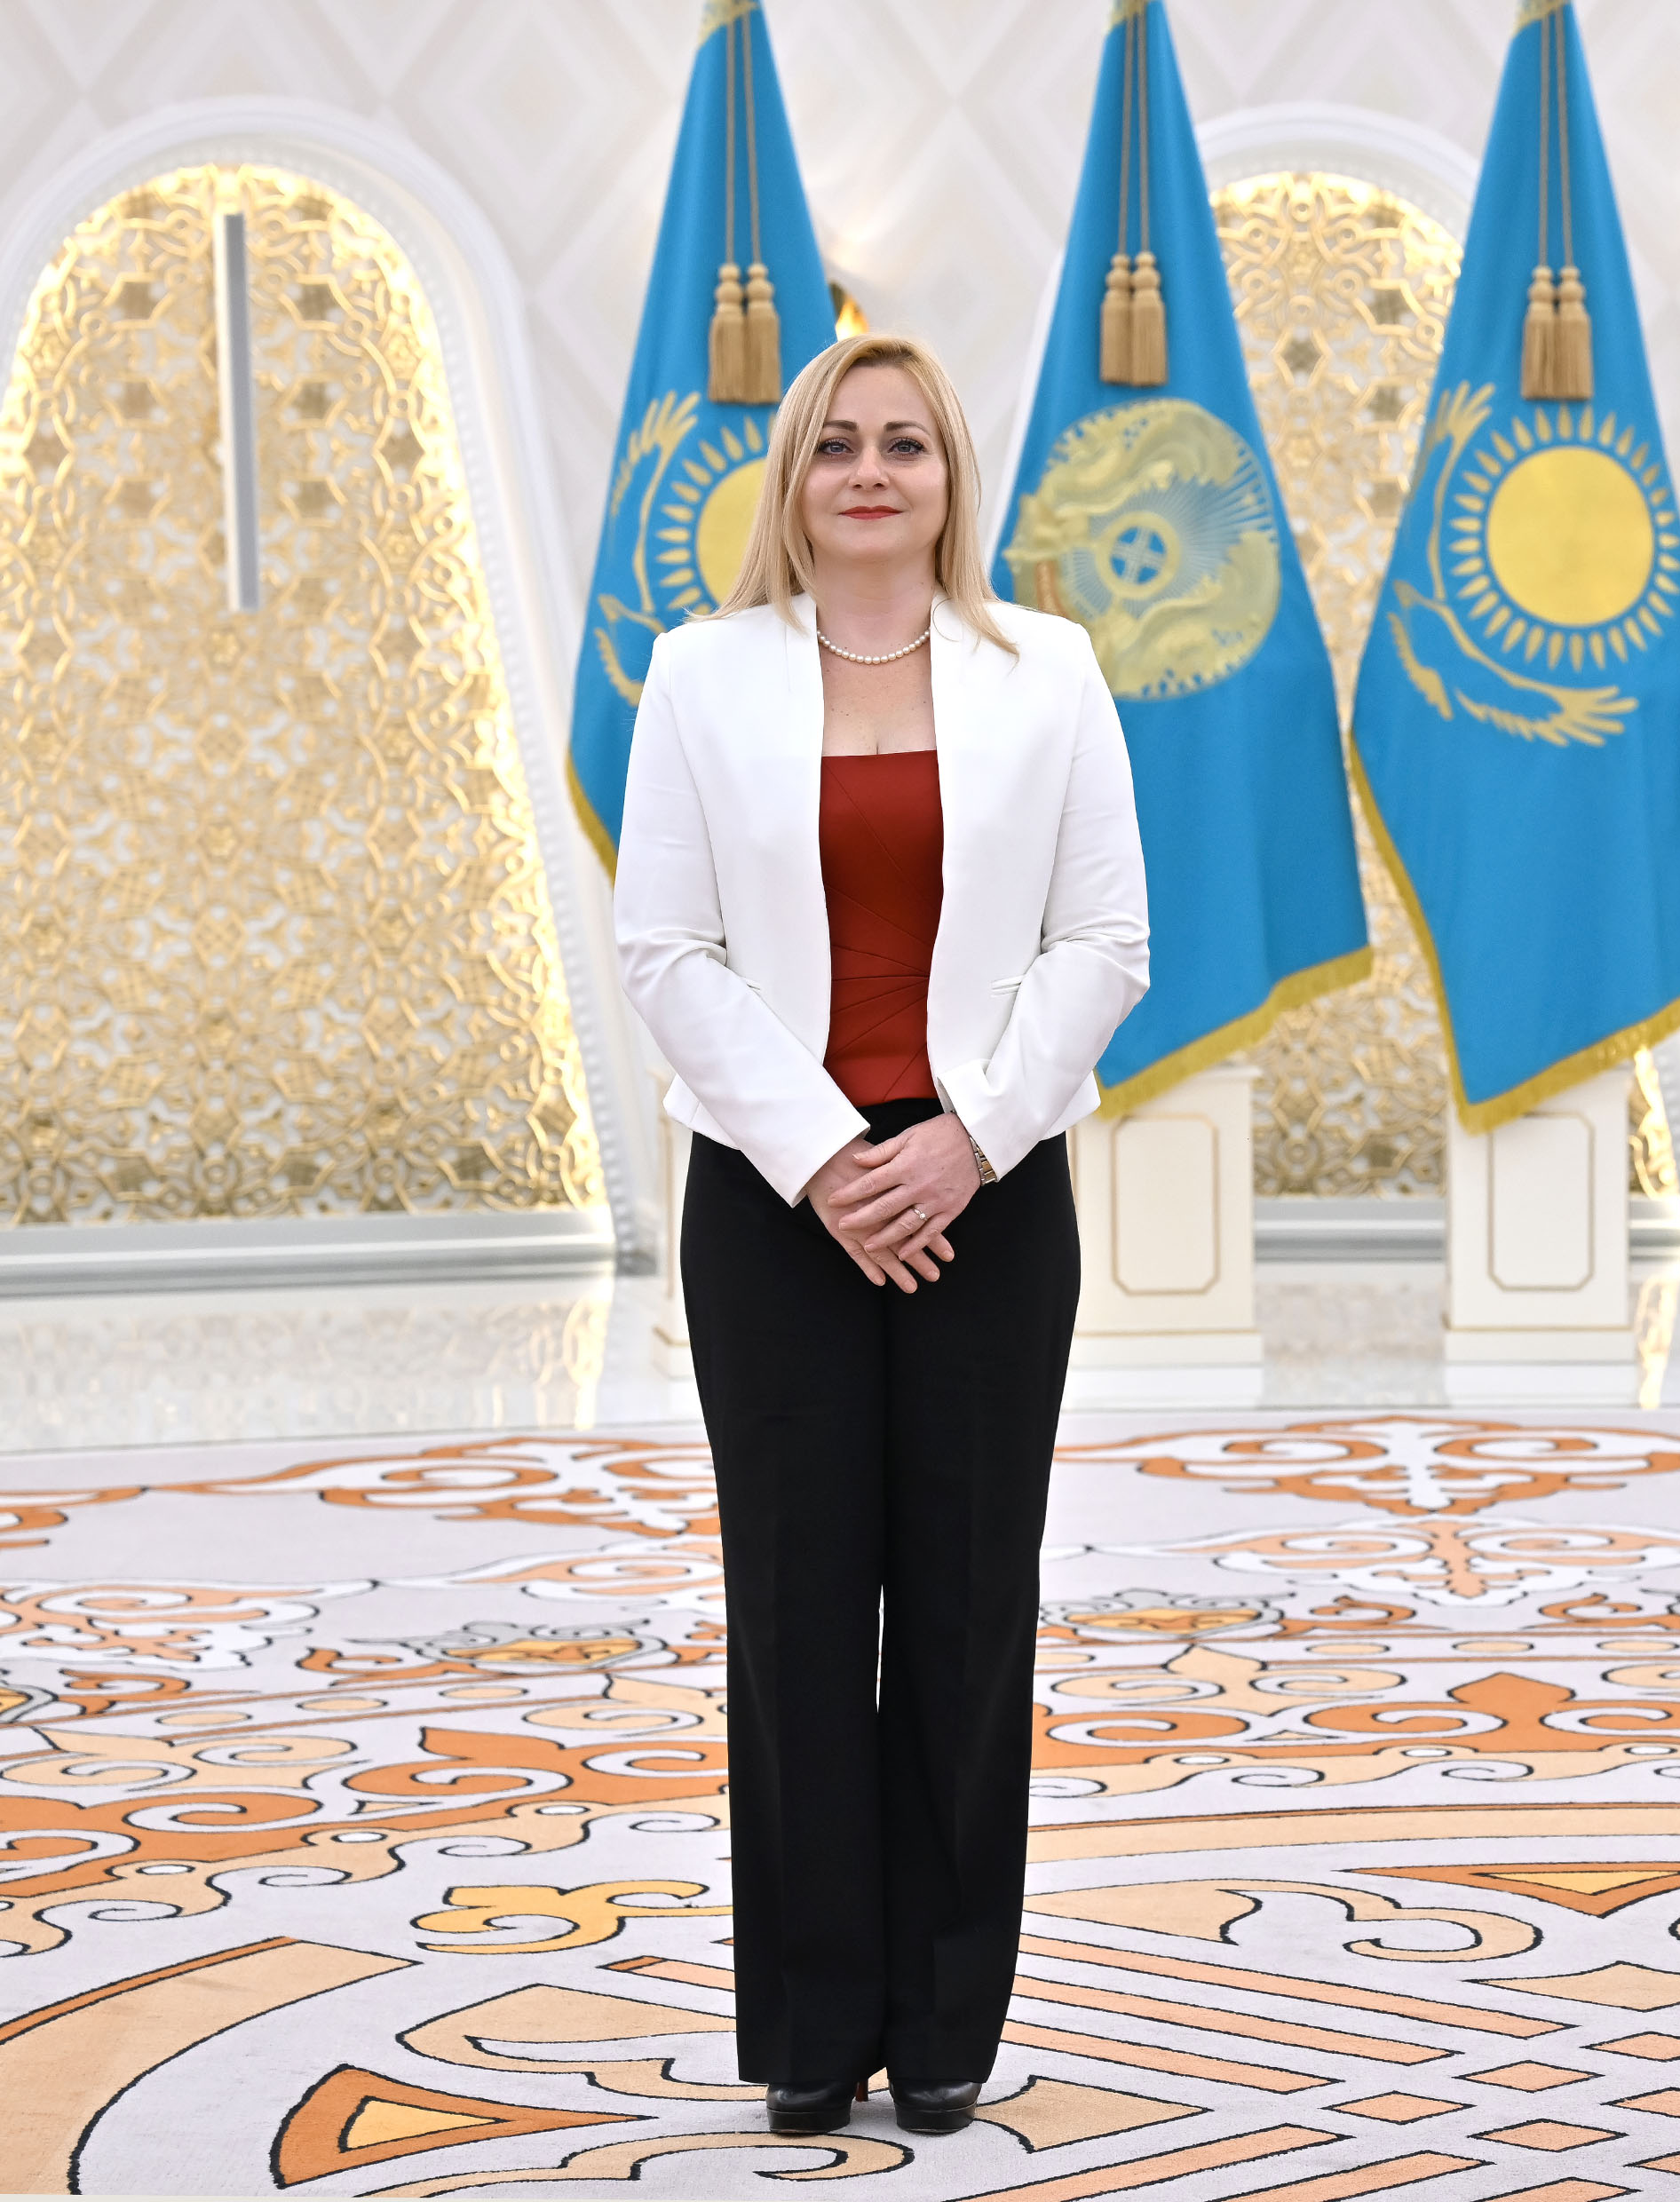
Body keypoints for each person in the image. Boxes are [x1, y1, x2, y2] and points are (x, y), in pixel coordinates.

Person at [614, 332, 1147, 2138]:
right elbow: (663, 950)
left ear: (948, 477)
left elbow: (1105, 941)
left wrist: (965, 1143)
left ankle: (941, 2018)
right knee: (794, 1607)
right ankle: (810, 2020)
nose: (868, 471)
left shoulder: (1049, 669)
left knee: (968, 1609)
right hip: (777, 1205)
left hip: (986, 1193)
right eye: (836, 442)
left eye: (904, 444)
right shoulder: (699, 675)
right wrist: (828, 1156)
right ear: (793, 476)